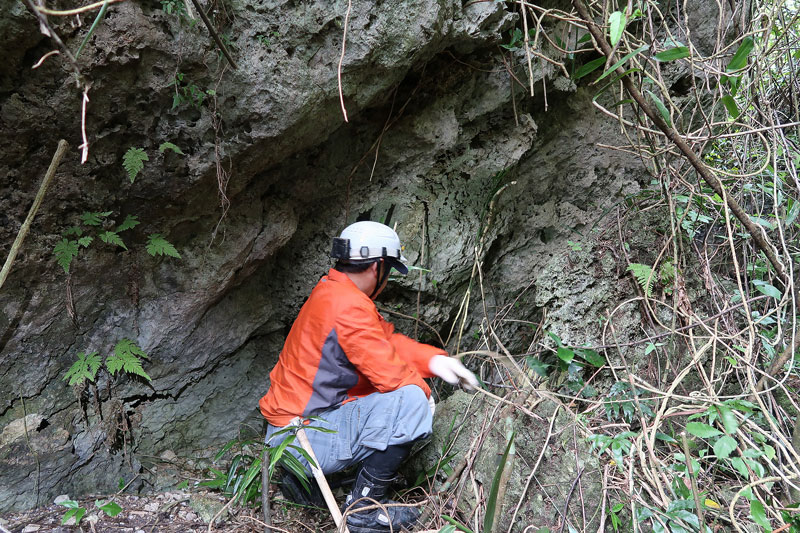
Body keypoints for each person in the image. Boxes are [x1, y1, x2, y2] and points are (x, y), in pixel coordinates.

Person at [259, 220, 479, 533]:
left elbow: (384, 344)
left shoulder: (332, 292)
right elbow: (392, 378)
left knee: (395, 397)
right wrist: (423, 397)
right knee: (411, 401)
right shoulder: (347, 306)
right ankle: (364, 510)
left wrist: (435, 361)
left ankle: (305, 487)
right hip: (302, 440)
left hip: (289, 436)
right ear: (378, 267)